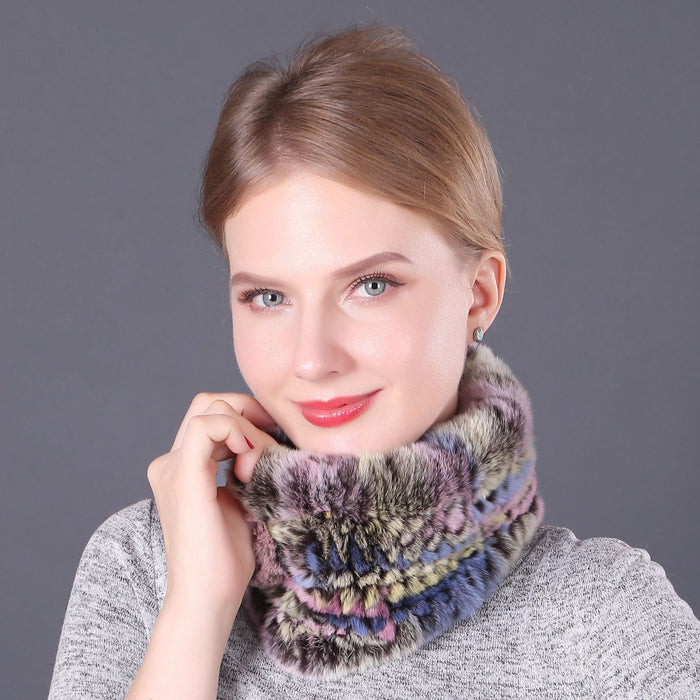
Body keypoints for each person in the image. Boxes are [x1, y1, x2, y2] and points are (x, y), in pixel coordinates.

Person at [49, 24, 699, 699]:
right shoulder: (148, 567)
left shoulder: (601, 622)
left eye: (371, 286)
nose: (312, 360)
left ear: (479, 294)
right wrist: (196, 611)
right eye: (268, 297)